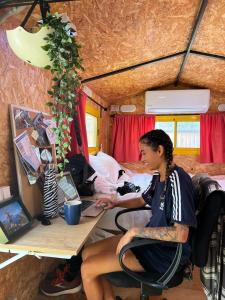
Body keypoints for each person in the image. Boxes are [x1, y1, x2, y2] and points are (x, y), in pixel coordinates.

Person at [40, 129, 196, 299]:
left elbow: (181, 234)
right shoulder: (159, 177)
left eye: (144, 153)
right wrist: (115, 203)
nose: (141, 159)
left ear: (159, 151)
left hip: (164, 255)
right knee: (87, 253)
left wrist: (134, 231)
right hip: (149, 243)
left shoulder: (178, 181)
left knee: (87, 268)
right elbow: (141, 200)